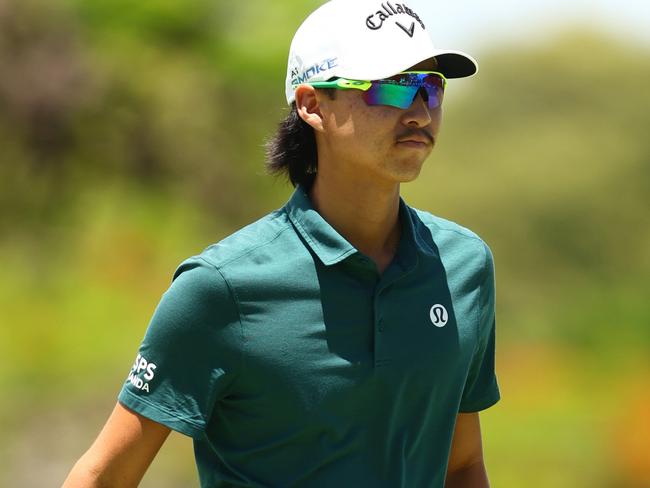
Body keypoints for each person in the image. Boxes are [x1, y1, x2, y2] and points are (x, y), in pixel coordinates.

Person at [63, 0, 500, 486]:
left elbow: (462, 465)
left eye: (431, 87)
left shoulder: (463, 266)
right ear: (313, 105)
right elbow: (103, 475)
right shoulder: (222, 288)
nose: (420, 112)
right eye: (394, 88)